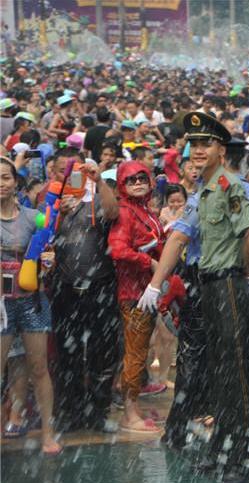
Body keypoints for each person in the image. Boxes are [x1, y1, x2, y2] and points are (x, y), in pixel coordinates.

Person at [140, 112, 249, 483]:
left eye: (205, 144)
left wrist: (238, 270)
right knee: (220, 377)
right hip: (211, 287)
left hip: (227, 285)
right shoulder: (205, 190)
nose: (197, 151)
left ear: (221, 150)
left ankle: (238, 459)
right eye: (193, 144)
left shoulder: (228, 186)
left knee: (237, 379)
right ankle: (222, 450)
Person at [46, 154, 120, 436]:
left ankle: (98, 412)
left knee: (102, 352)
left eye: (76, 172)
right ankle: (69, 412)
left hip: (100, 287)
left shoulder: (97, 200)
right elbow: (44, 235)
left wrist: (99, 179)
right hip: (66, 289)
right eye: (66, 172)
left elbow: (113, 213)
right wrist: (58, 213)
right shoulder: (52, 201)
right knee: (68, 353)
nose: (72, 177)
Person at [0, 157, 61, 454]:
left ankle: (48, 433)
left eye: (6, 177)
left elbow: (46, 250)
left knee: (39, 368)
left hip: (31, 302)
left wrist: (48, 262)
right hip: (0, 306)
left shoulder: (33, 216)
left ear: (16, 182)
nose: (1, 183)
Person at [108, 160, 167, 434]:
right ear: (122, 184)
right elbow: (118, 251)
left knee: (139, 352)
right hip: (134, 293)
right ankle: (129, 414)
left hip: (145, 291)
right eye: (131, 180)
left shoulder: (143, 209)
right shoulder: (125, 211)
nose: (138, 184)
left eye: (142, 178)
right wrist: (150, 263)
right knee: (134, 354)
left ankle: (134, 409)